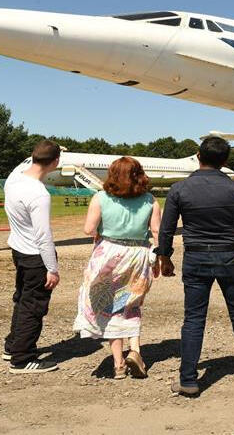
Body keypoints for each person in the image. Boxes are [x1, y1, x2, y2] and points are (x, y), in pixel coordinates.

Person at [157, 137, 234, 397]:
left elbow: (167, 229)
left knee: (194, 318)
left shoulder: (179, 189)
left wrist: (164, 257)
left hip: (196, 257)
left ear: (198, 156)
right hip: (230, 256)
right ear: (225, 161)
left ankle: (188, 378)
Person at [72, 157, 162, 380]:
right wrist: (159, 260)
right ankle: (136, 352)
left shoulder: (101, 198)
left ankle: (118, 363)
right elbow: (157, 233)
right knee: (129, 304)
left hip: (109, 255)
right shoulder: (150, 200)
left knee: (109, 306)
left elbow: (88, 229)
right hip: (138, 255)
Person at [3, 140, 62, 374]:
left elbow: (21, 166)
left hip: (18, 250)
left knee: (22, 300)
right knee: (33, 307)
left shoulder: (14, 181)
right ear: (56, 162)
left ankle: (13, 346)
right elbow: (43, 235)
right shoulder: (39, 194)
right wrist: (53, 268)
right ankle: (22, 358)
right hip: (35, 256)